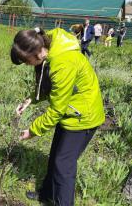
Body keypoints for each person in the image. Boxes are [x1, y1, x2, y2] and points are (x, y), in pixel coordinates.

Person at [11, 27, 105, 206]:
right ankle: (47, 195)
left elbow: (56, 110)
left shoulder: (63, 62)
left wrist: (32, 131)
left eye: (26, 61)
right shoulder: (50, 44)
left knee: (64, 165)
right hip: (72, 112)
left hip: (83, 118)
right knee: (56, 156)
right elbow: (49, 87)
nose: (27, 64)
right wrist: (30, 99)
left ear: (37, 53)